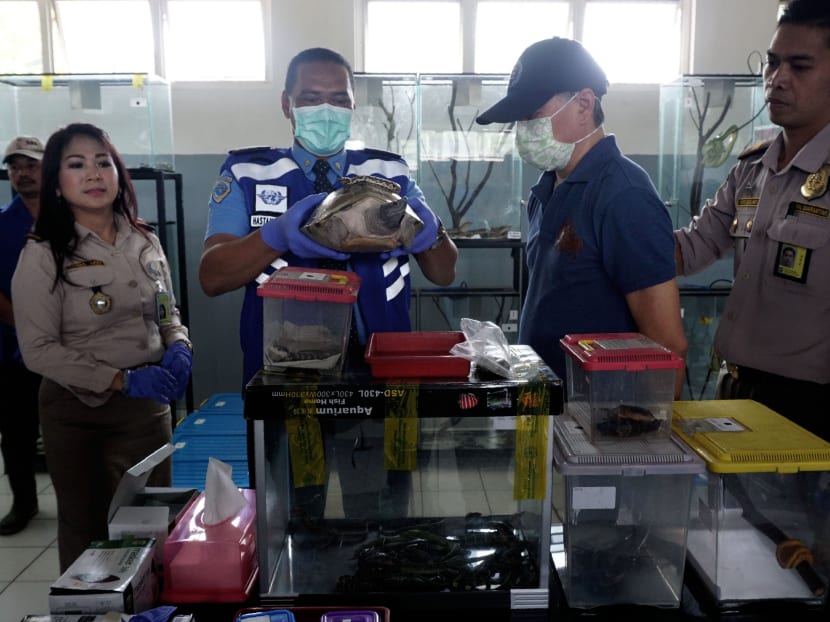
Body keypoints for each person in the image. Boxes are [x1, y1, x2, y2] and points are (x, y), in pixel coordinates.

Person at [199, 46, 457, 388]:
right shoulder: (248, 173)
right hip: (283, 369)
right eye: (310, 97)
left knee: (382, 443)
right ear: (285, 104)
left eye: (338, 98)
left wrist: (433, 235)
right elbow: (212, 278)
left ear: (352, 105)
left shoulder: (389, 172)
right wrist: (274, 236)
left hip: (382, 363)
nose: (326, 109)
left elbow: (444, 273)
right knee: (283, 443)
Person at [11, 123, 193, 571]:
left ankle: (150, 614)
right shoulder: (44, 253)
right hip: (80, 414)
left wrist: (179, 344)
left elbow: (166, 309)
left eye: (102, 162)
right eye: (76, 165)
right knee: (88, 532)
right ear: (56, 181)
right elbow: (37, 349)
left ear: (118, 172)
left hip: (147, 410)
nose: (93, 174)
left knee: (151, 523)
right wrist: (117, 379)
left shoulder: (144, 239)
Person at [475, 37, 687, 396]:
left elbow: (667, 344)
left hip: (602, 420)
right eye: (520, 121)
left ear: (584, 103)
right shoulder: (547, 190)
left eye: (533, 117)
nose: (524, 131)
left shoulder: (624, 196)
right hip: (550, 408)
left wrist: (642, 435)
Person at [674, 0, 830, 442]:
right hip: (737, 392)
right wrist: (614, 238)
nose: (778, 79)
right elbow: (691, 248)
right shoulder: (753, 168)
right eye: (773, 63)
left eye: (800, 67)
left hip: (809, 408)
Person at [0, 136, 44, 535]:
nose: (22, 173)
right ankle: (24, 503)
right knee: (16, 432)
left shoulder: (72, 217)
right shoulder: (2, 223)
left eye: (30, 164)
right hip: (13, 347)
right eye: (15, 167)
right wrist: (25, 328)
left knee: (74, 429)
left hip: (71, 345)